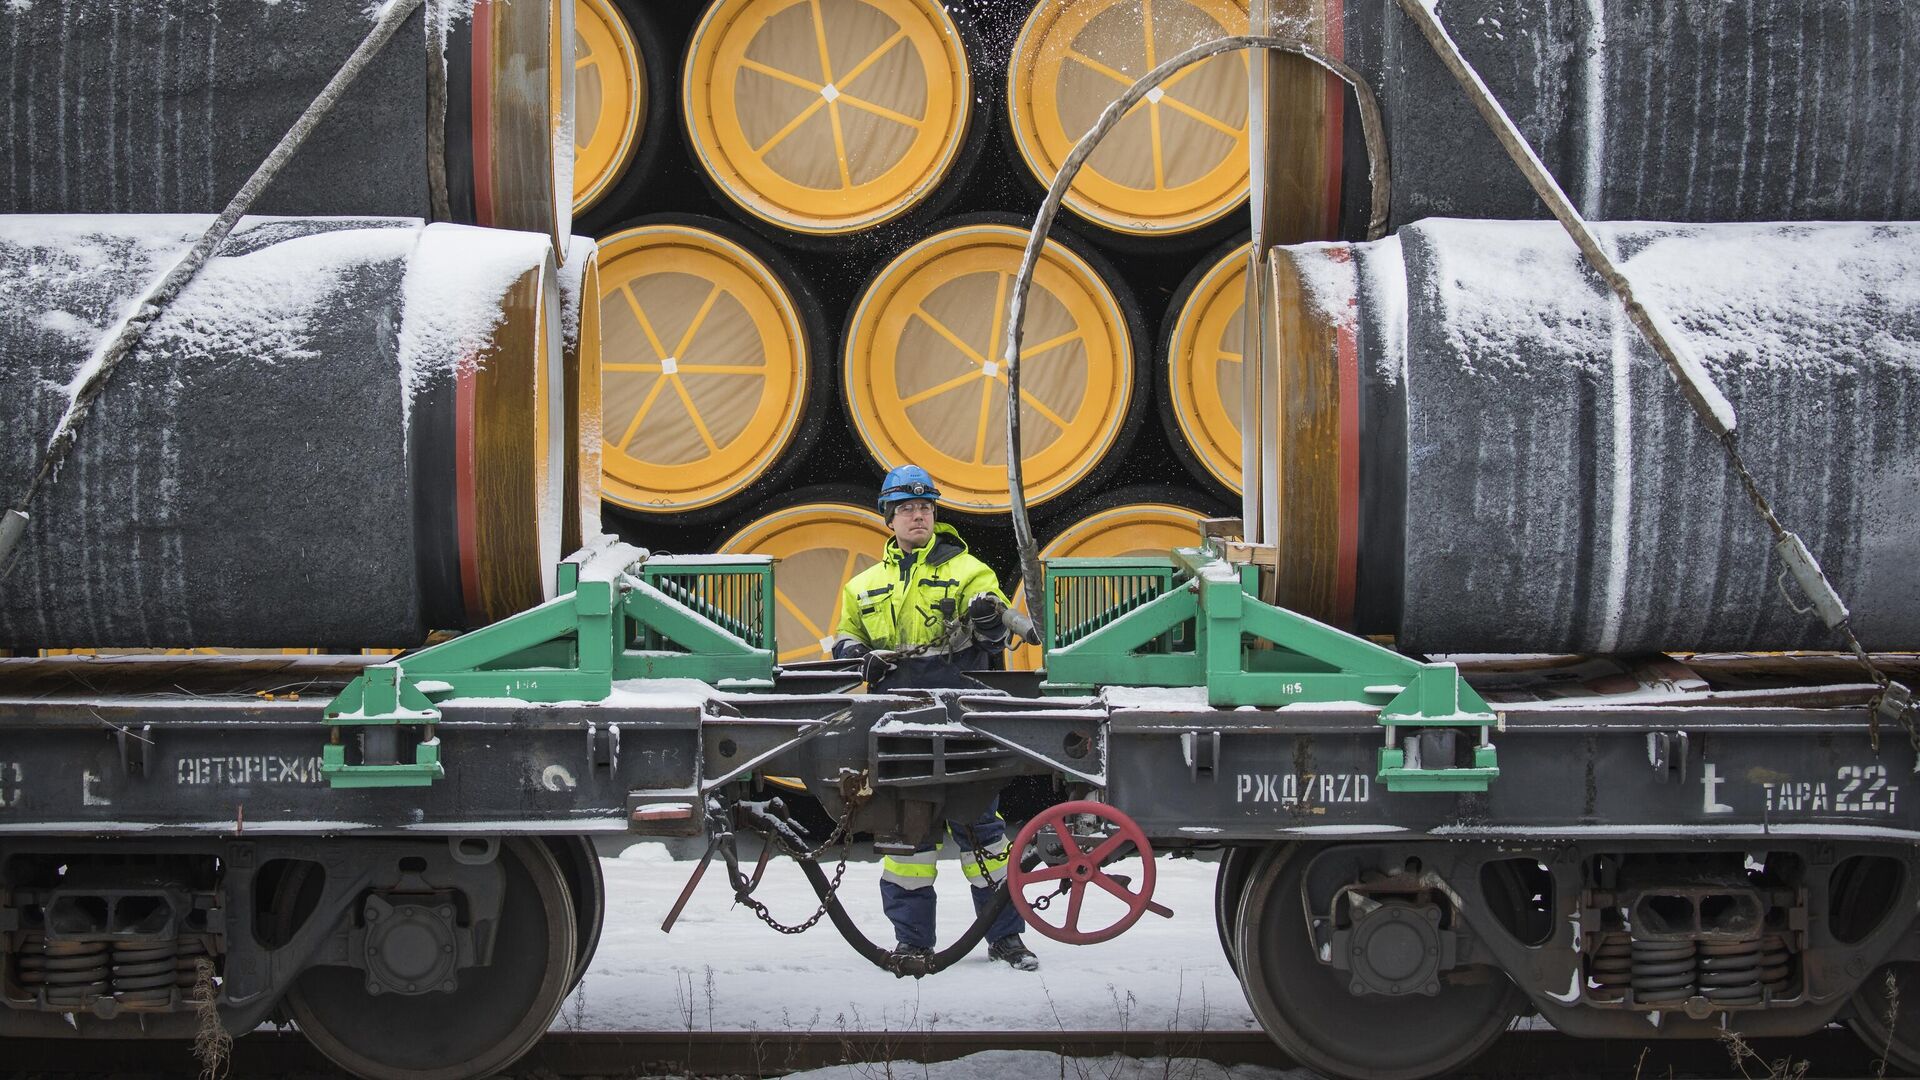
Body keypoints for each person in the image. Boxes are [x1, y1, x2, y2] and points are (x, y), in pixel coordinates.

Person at [831, 464, 1040, 972]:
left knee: (983, 835)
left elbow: (995, 636)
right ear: (889, 518)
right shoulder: (864, 584)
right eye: (906, 508)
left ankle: (1006, 938)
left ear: (934, 514)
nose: (917, 515)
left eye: (925, 507)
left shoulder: (970, 571)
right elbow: (842, 636)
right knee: (909, 839)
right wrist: (859, 654)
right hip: (898, 722)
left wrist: (992, 623)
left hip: (962, 716)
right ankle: (912, 942)